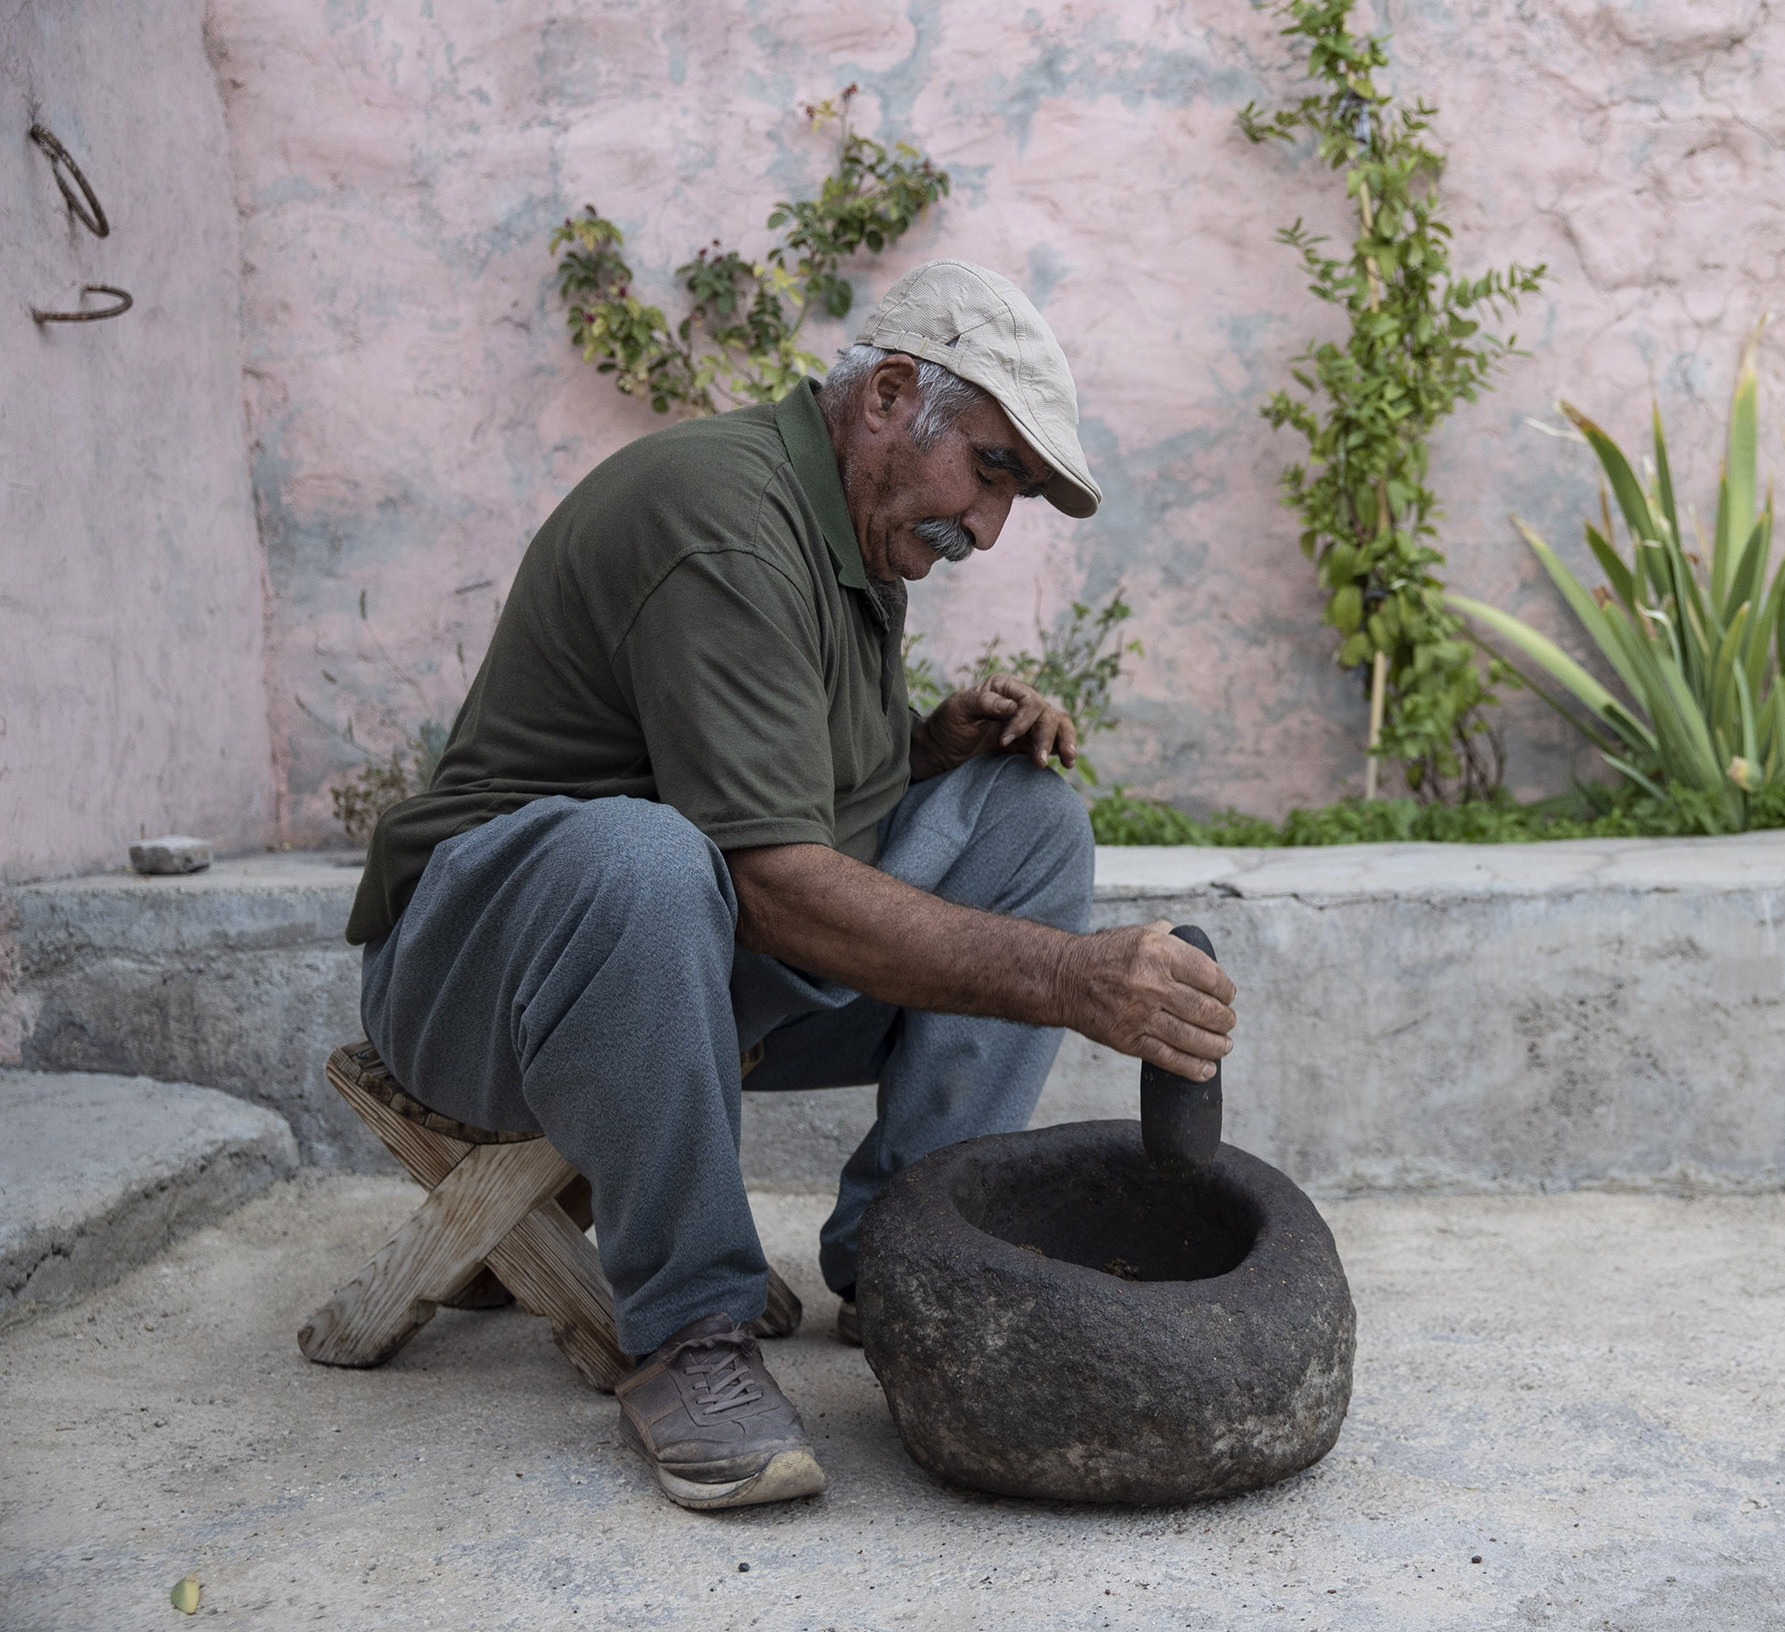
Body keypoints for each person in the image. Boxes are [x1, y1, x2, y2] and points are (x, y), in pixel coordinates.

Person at [342, 260, 1237, 1511]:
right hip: (473, 978)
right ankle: (688, 1335)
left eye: (1014, 496)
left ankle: (908, 1255)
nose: (989, 528)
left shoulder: (858, 539)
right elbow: (767, 885)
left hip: (674, 964)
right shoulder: (718, 515)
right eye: (990, 471)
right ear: (886, 395)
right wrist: (1074, 980)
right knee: (647, 854)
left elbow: (783, 805)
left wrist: (928, 750)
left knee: (1029, 818)